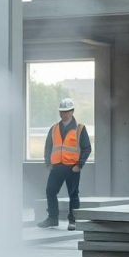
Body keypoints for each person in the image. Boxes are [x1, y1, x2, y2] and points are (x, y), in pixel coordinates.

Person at [37, 98, 91, 231]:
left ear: (72, 111)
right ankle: (52, 218)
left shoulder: (80, 128)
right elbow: (48, 147)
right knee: (50, 191)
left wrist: (79, 165)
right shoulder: (54, 128)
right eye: (62, 111)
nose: (64, 114)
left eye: (67, 111)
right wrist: (48, 163)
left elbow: (87, 148)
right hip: (57, 167)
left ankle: (73, 221)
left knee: (73, 194)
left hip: (73, 167)